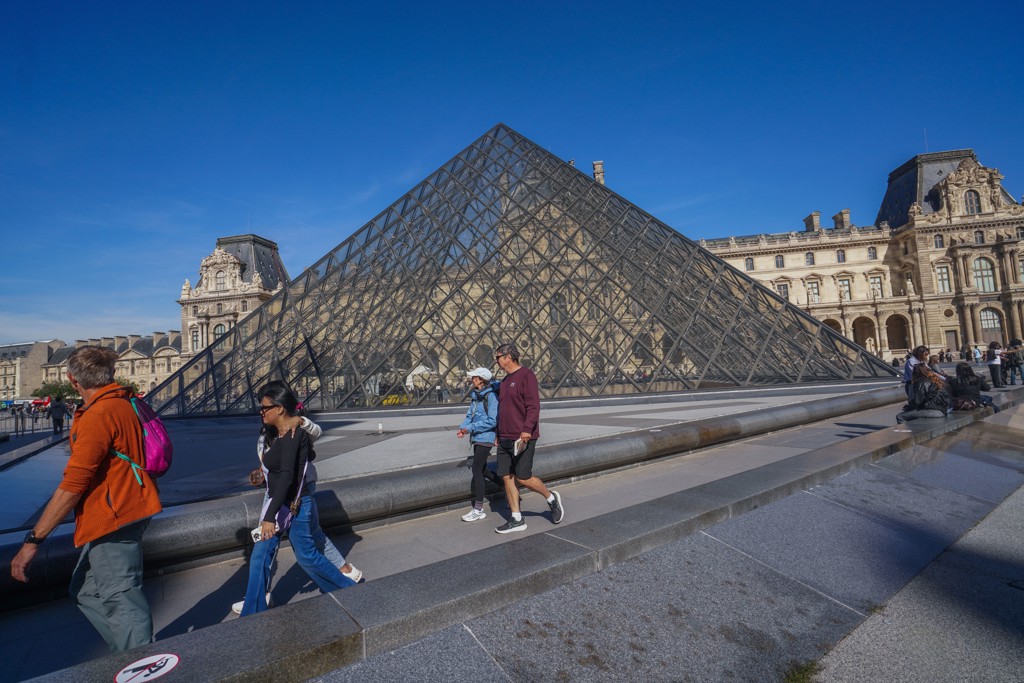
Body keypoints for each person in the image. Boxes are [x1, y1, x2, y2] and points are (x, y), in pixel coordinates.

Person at [10, 346, 162, 651]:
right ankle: (128, 653)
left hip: (114, 515)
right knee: (84, 589)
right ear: (110, 373)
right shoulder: (124, 401)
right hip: (130, 504)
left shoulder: (99, 415)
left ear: (71, 379)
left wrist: (33, 541)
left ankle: (143, 662)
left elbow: (72, 486)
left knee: (122, 597)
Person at [230, 391, 363, 614]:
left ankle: (347, 585)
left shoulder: (295, 432)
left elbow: (289, 474)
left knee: (307, 552)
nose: (260, 412)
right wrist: (263, 474)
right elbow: (276, 468)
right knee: (268, 552)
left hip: (293, 498)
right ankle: (254, 604)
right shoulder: (268, 433)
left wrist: (270, 516)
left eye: (264, 407)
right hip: (278, 497)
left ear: (280, 408)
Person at [492, 343, 563, 533]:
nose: (496, 361)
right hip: (505, 436)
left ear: (508, 357)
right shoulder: (505, 381)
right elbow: (503, 410)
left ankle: (551, 498)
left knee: (523, 477)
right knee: (506, 477)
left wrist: (526, 430)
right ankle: (517, 518)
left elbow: (533, 406)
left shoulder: (526, 376)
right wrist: (498, 434)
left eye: (497, 357)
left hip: (522, 437)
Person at [456, 367, 500, 522]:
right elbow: (470, 415)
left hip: (486, 437)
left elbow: (492, 420)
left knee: (476, 469)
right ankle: (508, 488)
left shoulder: (491, 396)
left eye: (474, 377)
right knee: (483, 470)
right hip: (477, 436)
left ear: (482, 379)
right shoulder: (476, 396)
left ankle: (478, 509)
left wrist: (470, 428)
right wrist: (463, 427)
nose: (472, 379)